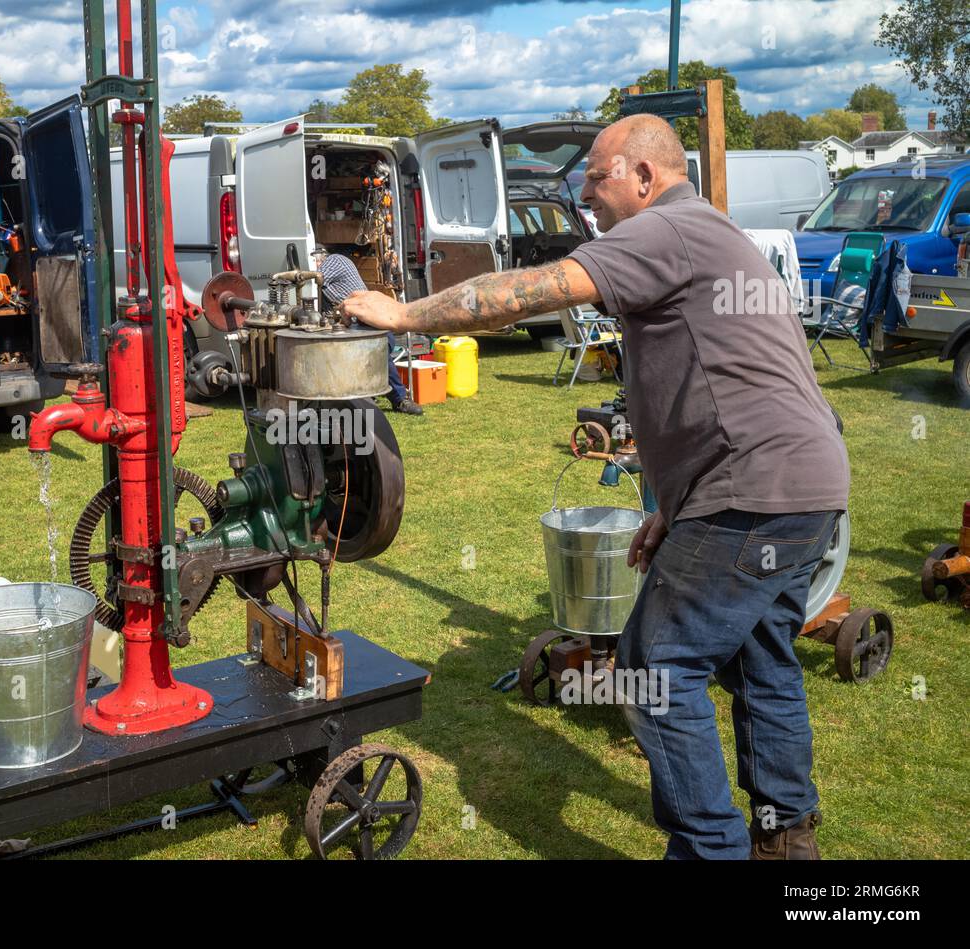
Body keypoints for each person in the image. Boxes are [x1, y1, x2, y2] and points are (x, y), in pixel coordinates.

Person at [339, 114, 850, 860]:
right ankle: (786, 837)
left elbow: (527, 292)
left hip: (750, 489)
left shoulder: (664, 229)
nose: (586, 193)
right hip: (800, 488)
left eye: (597, 175)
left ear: (645, 177)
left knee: (653, 668)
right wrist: (676, 511)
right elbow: (739, 382)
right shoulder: (715, 235)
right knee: (761, 657)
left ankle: (712, 851)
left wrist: (404, 313)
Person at [317, 251, 423, 415]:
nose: (315, 263)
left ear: (321, 257)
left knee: (377, 354)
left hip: (369, 323)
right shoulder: (327, 284)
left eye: (315, 259)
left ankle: (400, 399)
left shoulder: (334, 260)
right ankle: (358, 397)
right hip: (355, 325)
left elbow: (315, 277)